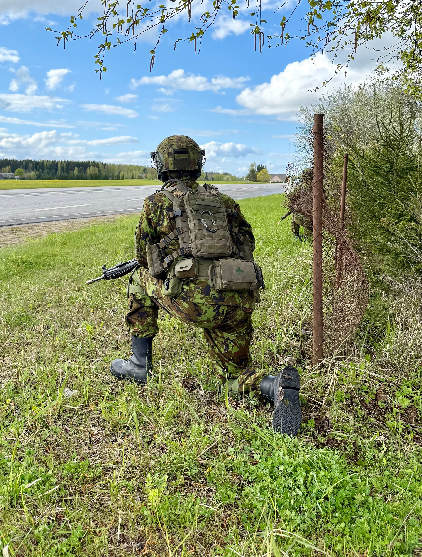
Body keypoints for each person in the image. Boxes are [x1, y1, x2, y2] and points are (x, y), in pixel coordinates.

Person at [110, 135, 302, 436]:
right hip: (238, 299)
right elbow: (247, 243)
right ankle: (273, 385)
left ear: (162, 164)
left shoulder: (155, 203)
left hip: (196, 303)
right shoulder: (224, 201)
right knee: (233, 378)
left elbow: (143, 259)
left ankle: (138, 364)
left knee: (137, 278)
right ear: (196, 163)